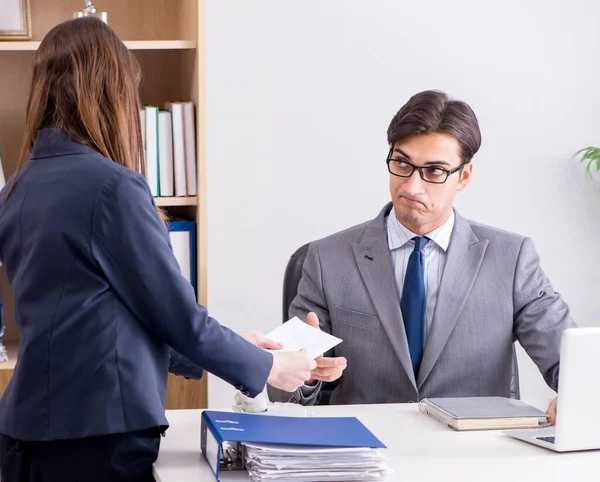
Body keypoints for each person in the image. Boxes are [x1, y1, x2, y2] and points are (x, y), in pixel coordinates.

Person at [0, 18, 314, 482]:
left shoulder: (18, 188)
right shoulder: (113, 188)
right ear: (112, 91)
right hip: (97, 440)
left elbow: (98, 324)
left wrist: (238, 343)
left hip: (25, 436)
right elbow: (178, 319)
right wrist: (269, 367)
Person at [268, 89, 574, 423]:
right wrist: (306, 375)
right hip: (365, 449)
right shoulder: (328, 259)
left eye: (434, 171)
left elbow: (573, 364)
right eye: (402, 163)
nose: (412, 187)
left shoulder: (512, 260)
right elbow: (280, 391)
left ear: (464, 177)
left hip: (474, 454)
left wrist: (578, 397)